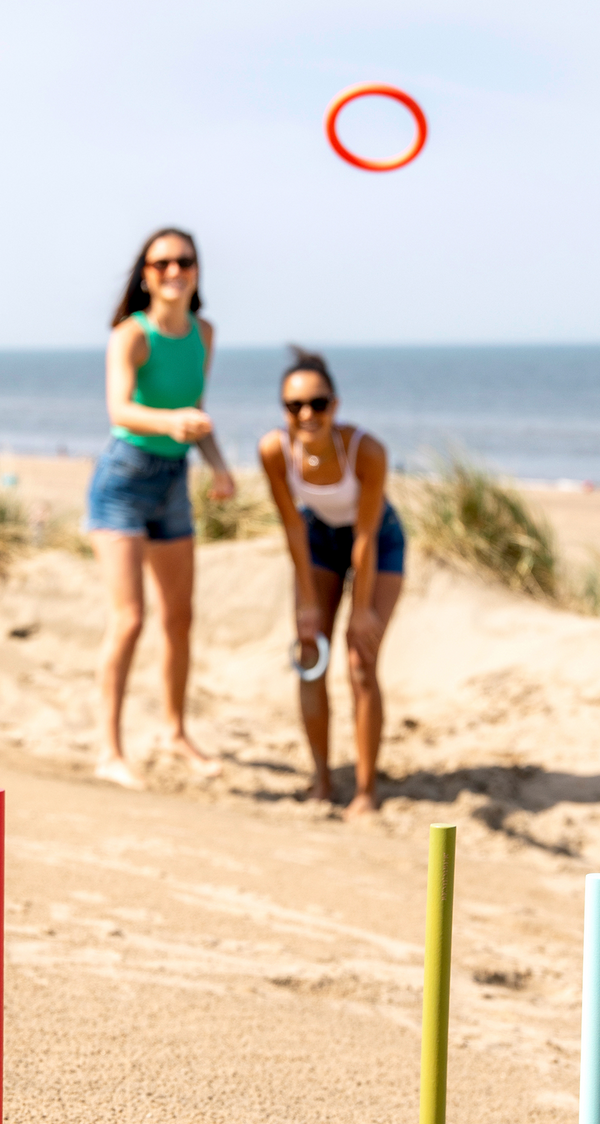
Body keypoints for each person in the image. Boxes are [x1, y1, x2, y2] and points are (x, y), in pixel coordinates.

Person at [84, 227, 235, 790]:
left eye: (184, 261)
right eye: (162, 262)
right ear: (145, 274)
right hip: (123, 480)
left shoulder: (205, 333)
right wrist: (171, 422)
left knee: (180, 617)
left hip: (174, 479)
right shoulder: (131, 335)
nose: (174, 271)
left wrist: (217, 463)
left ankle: (174, 731)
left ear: (197, 271)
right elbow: (120, 408)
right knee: (130, 620)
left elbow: (196, 410)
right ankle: (109, 749)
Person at [258, 349, 406, 816]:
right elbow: (293, 528)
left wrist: (361, 609)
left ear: (335, 406)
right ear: (283, 410)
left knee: (361, 659)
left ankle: (366, 790)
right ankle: (322, 778)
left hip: (377, 539)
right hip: (318, 538)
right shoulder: (274, 451)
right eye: (294, 406)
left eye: (317, 404)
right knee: (310, 654)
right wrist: (306, 602)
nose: (306, 414)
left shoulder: (366, 450)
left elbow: (365, 535)